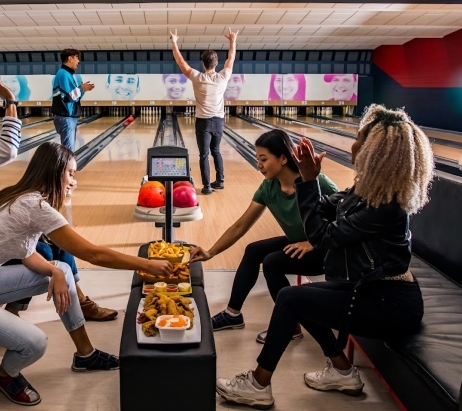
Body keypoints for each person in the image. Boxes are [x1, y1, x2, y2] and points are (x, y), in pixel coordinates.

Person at [215, 104, 434, 409]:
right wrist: (309, 180)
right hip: (370, 290)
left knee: (292, 299)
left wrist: (307, 182)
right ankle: (342, 371)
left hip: (390, 303)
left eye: (359, 139)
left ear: (375, 152)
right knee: (294, 298)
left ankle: (258, 384)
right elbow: (325, 206)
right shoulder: (367, 192)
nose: (353, 144)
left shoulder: (385, 207)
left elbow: (322, 237)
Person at [0, 141, 172, 406]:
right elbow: (93, 254)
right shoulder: (34, 206)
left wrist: (53, 272)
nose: (73, 181)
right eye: (71, 173)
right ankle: (5, 375)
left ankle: (85, 354)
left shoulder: (20, 196)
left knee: (63, 269)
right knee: (35, 343)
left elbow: (27, 253)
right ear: (55, 171)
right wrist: (146, 264)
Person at [0, 66, 118, 322]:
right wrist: (10, 102)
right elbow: (6, 151)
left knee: (54, 243)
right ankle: (18, 313)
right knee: (46, 249)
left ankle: (76, 302)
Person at [190, 130, 338, 344]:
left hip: (328, 250)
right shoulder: (269, 187)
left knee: (272, 263)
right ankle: (233, 314)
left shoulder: (317, 182)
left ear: (283, 158)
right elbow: (241, 225)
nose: (258, 164)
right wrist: (210, 252)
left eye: (263, 159)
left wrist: (313, 242)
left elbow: (346, 222)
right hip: (300, 243)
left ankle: (290, 325)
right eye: (257, 159)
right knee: (254, 250)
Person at [169, 28, 238, 195]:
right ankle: (220, 181)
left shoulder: (198, 77)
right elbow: (231, 58)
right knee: (216, 151)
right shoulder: (223, 77)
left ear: (203, 63)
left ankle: (207, 186)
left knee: (204, 155)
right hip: (219, 122)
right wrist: (232, 41)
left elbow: (180, 62)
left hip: (203, 122)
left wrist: (174, 42)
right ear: (215, 63)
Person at [52, 48, 95, 153]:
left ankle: (67, 169)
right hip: (66, 117)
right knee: (68, 151)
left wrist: (82, 89)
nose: (78, 61)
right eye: (76, 57)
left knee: (68, 150)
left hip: (67, 117)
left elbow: (72, 96)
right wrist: (82, 89)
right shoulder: (63, 74)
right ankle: (67, 169)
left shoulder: (67, 74)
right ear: (70, 58)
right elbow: (68, 97)